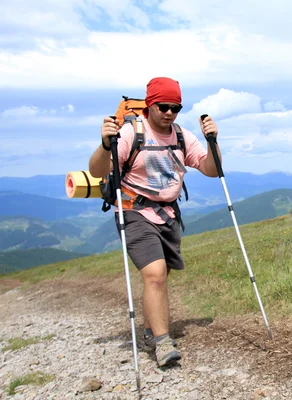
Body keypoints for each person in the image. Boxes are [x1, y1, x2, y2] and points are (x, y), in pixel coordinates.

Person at [88, 77, 221, 367]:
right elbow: (98, 170)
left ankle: (150, 331)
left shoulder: (183, 137)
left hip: (168, 214)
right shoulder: (130, 134)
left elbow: (212, 169)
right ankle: (162, 343)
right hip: (133, 212)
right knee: (155, 274)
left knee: (161, 276)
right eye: (163, 106)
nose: (169, 112)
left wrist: (213, 141)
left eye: (175, 107)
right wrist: (104, 144)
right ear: (150, 105)